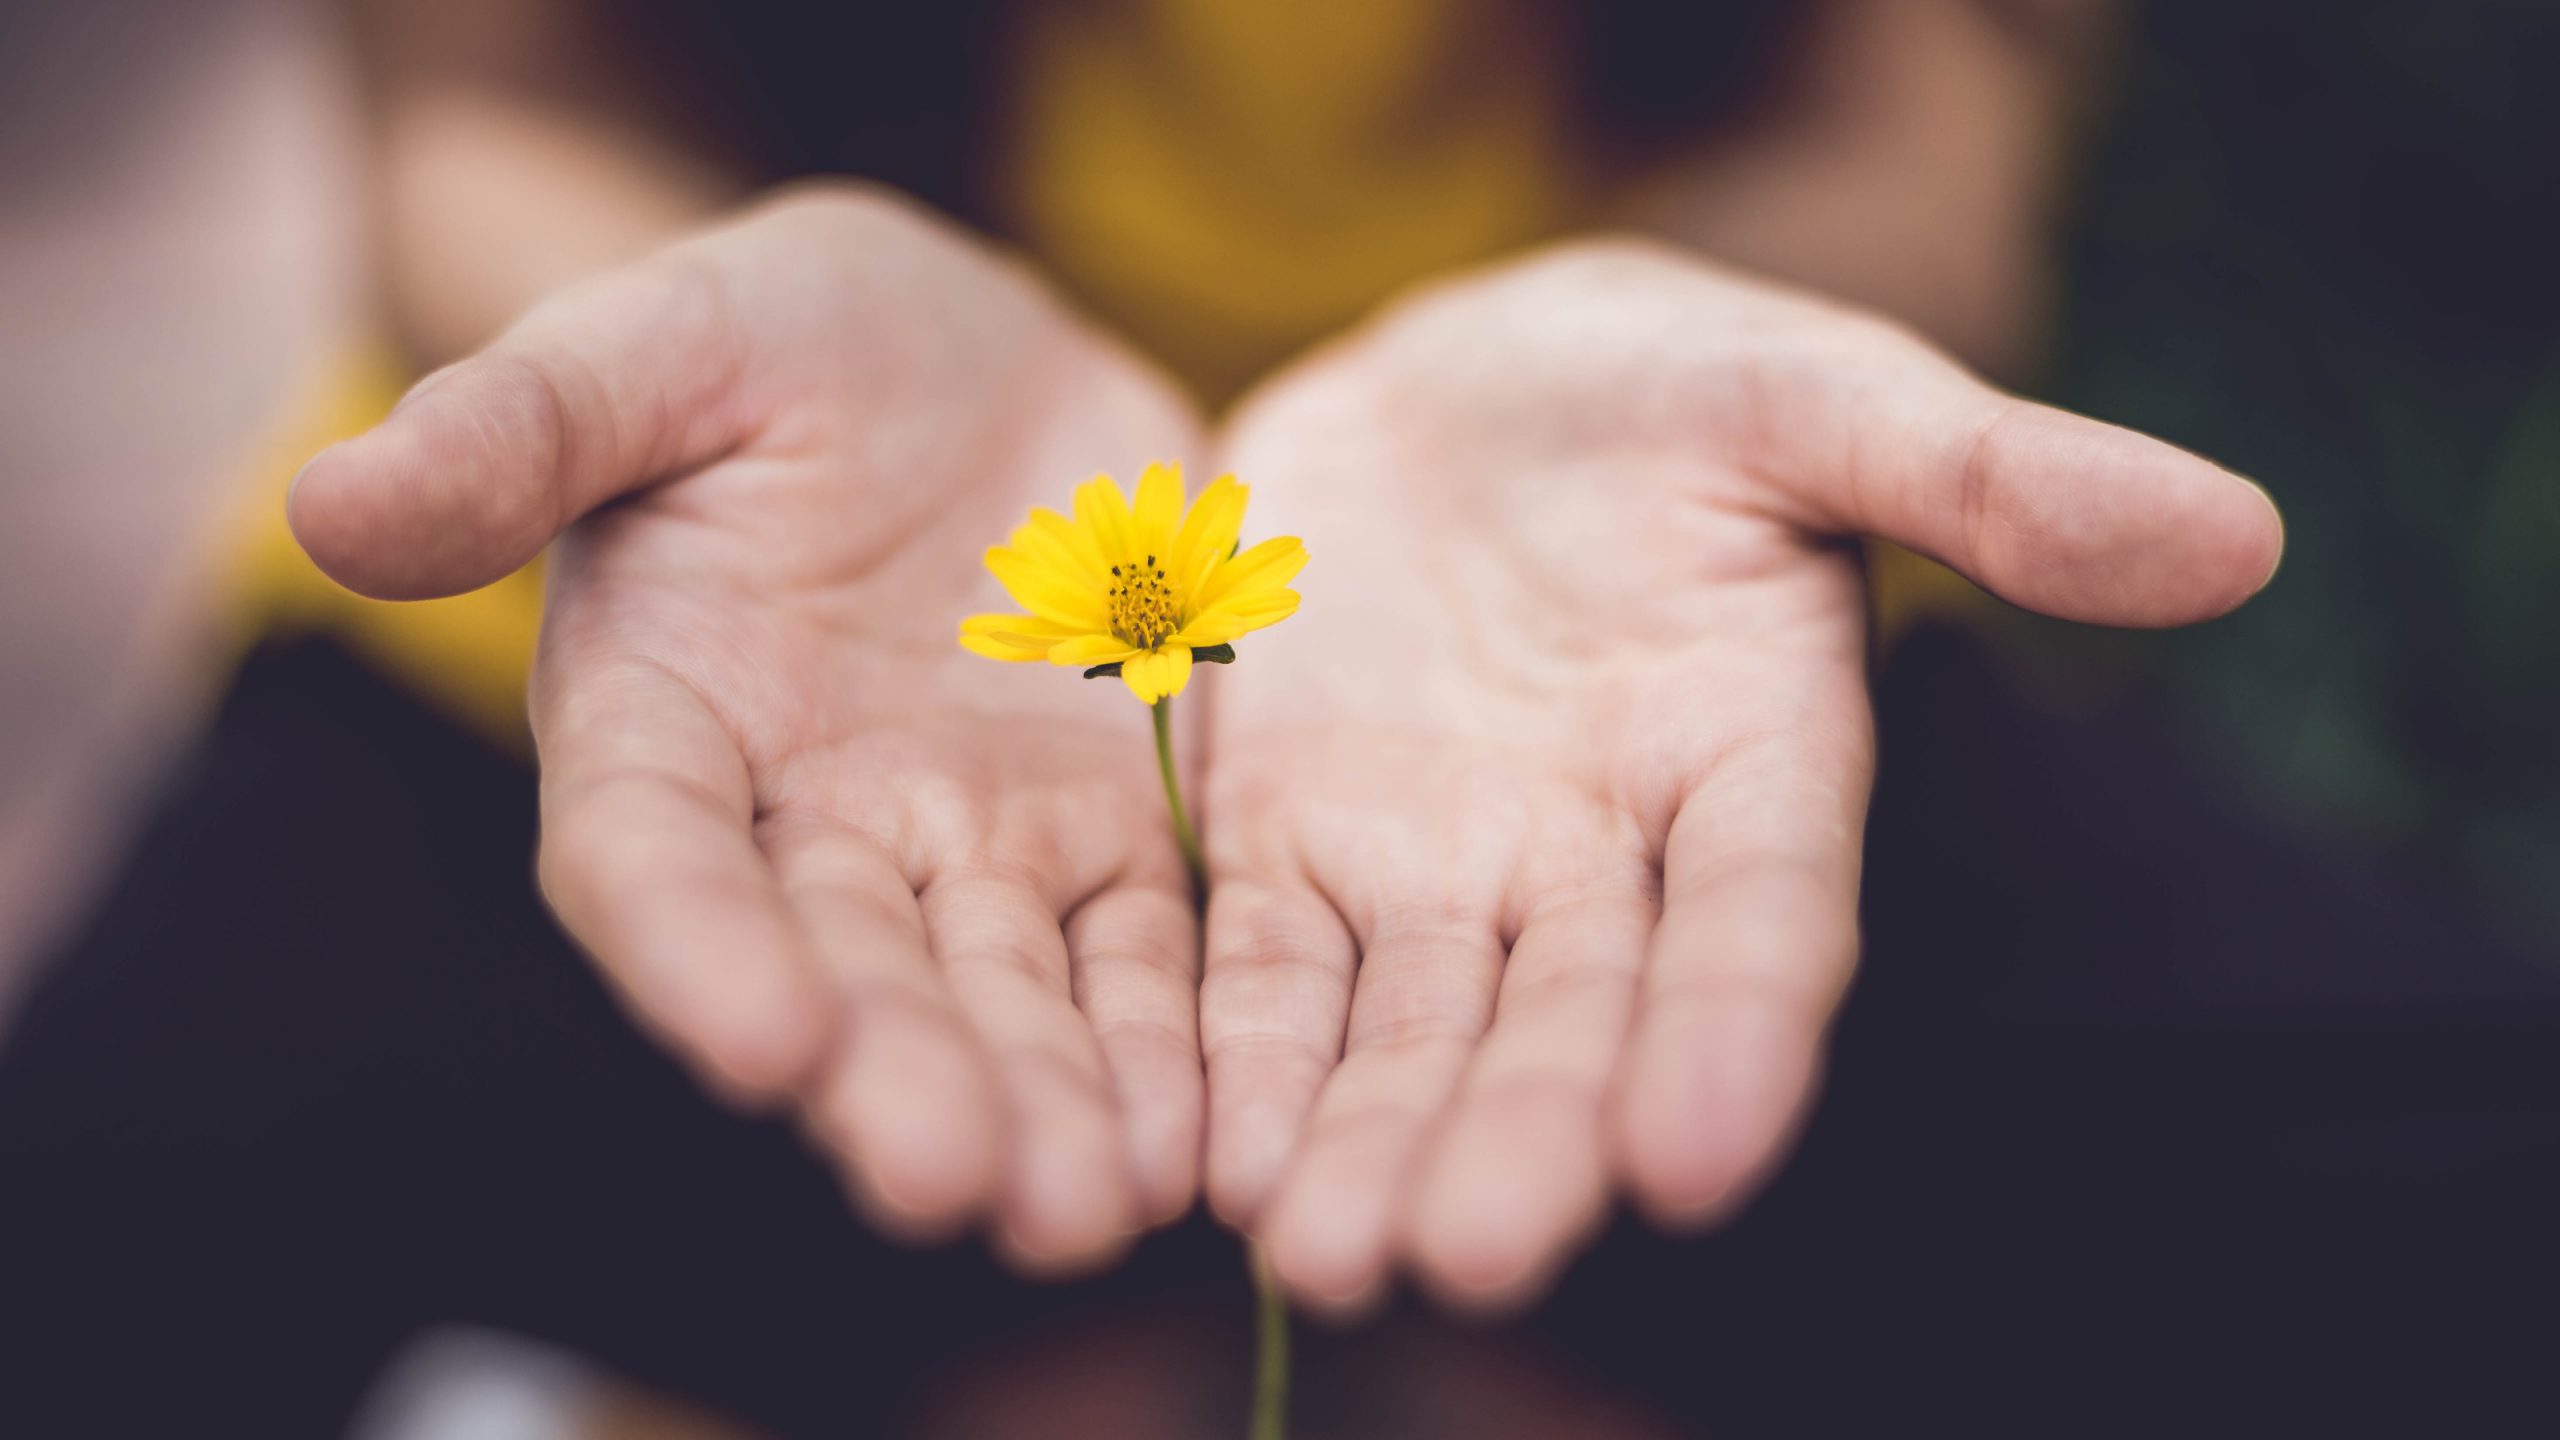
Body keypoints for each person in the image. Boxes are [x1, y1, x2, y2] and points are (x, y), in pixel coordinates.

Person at [283, 0, 2275, 1311]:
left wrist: (1701, 329)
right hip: (743, 629)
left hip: (1634, 648)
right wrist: (654, 348)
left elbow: (1928, 100)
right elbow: (482, 91)